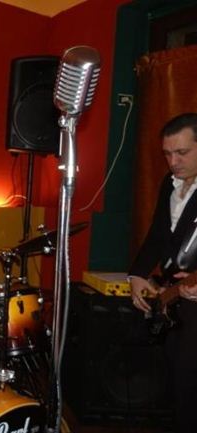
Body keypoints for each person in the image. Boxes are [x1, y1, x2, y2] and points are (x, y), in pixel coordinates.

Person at [129, 112, 197, 433]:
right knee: (177, 388)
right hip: (175, 300)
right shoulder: (168, 184)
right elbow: (157, 235)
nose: (173, 162)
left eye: (182, 152)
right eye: (167, 154)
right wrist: (137, 274)